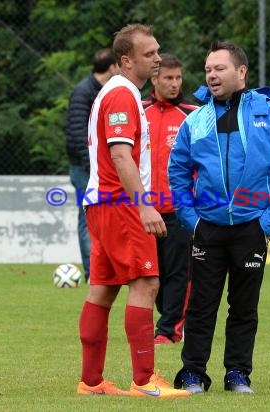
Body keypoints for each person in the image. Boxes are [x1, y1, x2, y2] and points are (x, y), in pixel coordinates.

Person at [169, 41, 270, 395]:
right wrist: (192, 220)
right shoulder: (196, 120)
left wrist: (266, 224)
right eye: (208, 69)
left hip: (252, 229)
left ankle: (238, 374)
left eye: (220, 68)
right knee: (200, 306)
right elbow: (178, 172)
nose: (211, 74)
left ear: (241, 71)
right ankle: (193, 373)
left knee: (244, 308)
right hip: (207, 229)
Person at [76, 24, 190, 398]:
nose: (157, 58)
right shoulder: (123, 95)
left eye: (158, 51)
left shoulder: (119, 93)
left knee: (103, 291)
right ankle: (145, 381)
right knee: (146, 284)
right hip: (119, 204)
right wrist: (144, 207)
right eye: (149, 54)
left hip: (102, 204)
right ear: (126, 60)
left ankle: (91, 382)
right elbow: (121, 156)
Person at [142, 54, 198, 345]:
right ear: (154, 79)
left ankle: (169, 330)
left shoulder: (193, 114)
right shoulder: (138, 111)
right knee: (152, 275)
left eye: (178, 78)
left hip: (179, 211)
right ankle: (169, 319)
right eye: (168, 78)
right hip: (144, 210)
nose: (175, 84)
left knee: (178, 272)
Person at [65, 48, 118, 282]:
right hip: (85, 169)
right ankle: (92, 273)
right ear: (112, 67)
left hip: (98, 168)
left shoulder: (102, 91)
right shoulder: (83, 92)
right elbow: (77, 135)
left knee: (105, 220)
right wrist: (93, 166)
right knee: (87, 220)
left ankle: (105, 270)